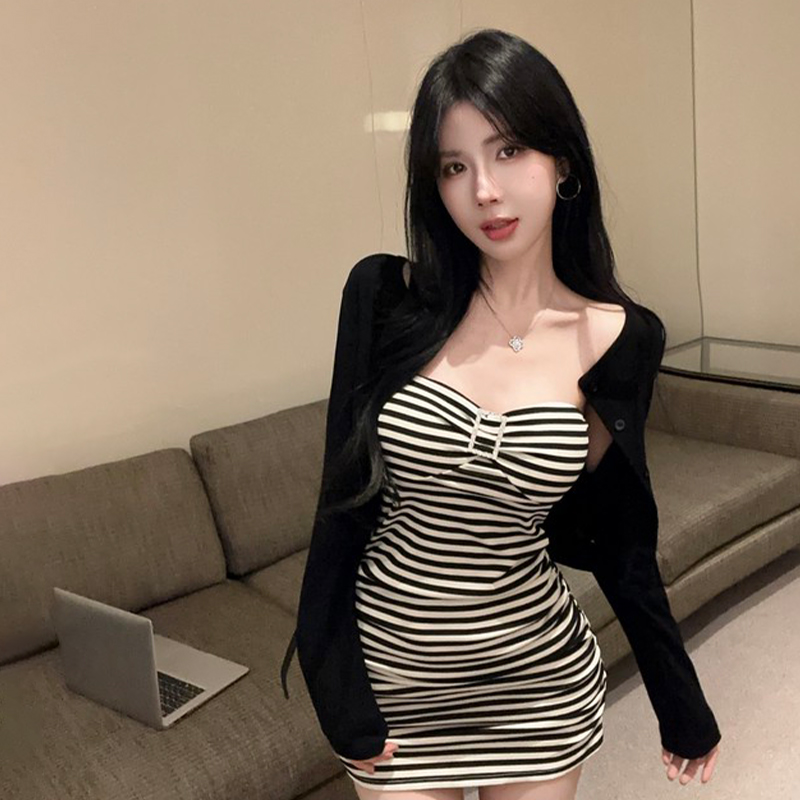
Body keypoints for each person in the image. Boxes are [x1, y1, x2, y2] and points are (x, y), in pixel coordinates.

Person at [280, 28, 721, 800]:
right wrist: (332, 683)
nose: (483, 189)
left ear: (563, 162)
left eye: (509, 150)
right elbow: (337, 510)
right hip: (396, 681)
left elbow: (622, 543)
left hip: (535, 682)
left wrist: (679, 701)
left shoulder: (622, 337)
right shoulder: (384, 299)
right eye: (455, 165)